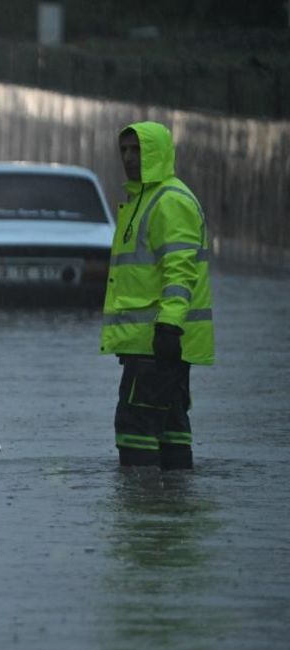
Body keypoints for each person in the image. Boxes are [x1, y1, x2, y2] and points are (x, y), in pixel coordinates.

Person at [101, 121, 214, 470]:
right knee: (170, 430)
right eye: (124, 150)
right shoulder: (144, 200)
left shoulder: (169, 201)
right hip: (156, 343)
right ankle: (172, 513)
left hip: (157, 342)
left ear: (158, 152)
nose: (130, 158)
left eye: (138, 150)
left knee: (134, 431)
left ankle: (142, 519)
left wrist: (169, 327)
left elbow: (180, 271)